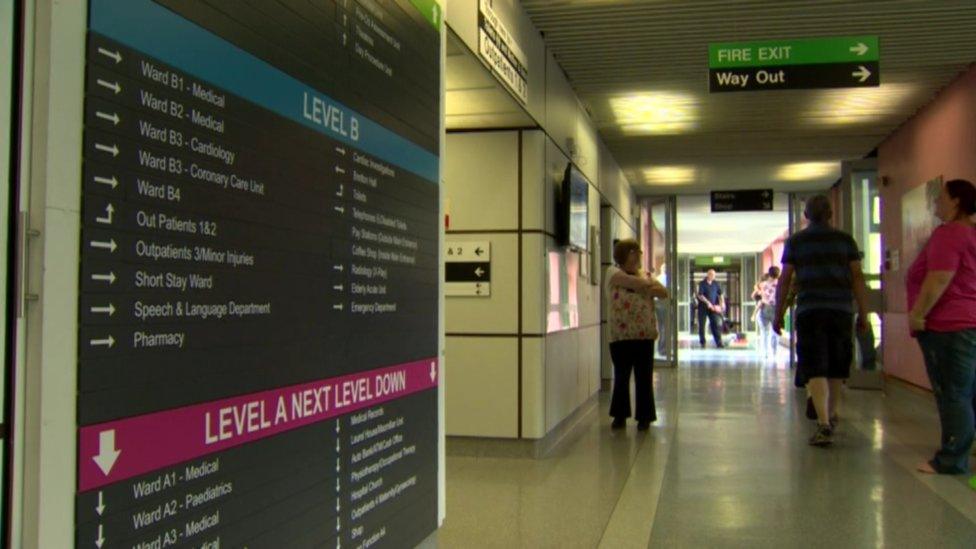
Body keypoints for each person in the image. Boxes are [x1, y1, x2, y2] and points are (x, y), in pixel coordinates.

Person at [774, 195, 869, 447]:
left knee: (814, 365)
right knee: (837, 364)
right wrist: (865, 312)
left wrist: (778, 313)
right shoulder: (845, 240)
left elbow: (785, 279)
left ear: (806, 215)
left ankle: (823, 422)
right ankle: (832, 412)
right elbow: (857, 277)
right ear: (830, 214)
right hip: (840, 310)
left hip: (810, 310)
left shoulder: (796, 242)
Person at [905, 179, 976, 474]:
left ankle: (951, 459)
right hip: (969, 323)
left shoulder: (950, 234)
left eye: (941, 198)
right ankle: (965, 446)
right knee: (968, 391)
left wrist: (918, 313)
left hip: (948, 325)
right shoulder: (971, 234)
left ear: (956, 201)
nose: (936, 204)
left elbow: (939, 278)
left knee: (952, 393)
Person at [605, 239, 669, 431]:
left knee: (644, 377)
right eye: (636, 253)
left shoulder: (645, 274)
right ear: (626, 255)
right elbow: (633, 282)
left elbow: (664, 292)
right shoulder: (612, 272)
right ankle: (619, 415)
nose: (639, 257)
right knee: (622, 376)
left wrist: (647, 285)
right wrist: (648, 285)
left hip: (644, 336)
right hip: (620, 337)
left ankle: (645, 417)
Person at [755, 267, 781, 360]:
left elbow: (757, 295)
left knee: (764, 333)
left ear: (769, 274)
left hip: (764, 308)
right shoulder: (780, 284)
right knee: (775, 332)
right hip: (776, 308)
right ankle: (774, 352)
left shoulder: (762, 285)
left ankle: (765, 353)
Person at [696, 269, 725, 348]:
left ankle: (719, 342)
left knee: (715, 323)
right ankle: (702, 341)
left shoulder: (715, 284)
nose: (713, 276)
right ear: (708, 275)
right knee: (702, 324)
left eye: (714, 275)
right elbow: (700, 295)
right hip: (703, 307)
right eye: (712, 275)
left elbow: (720, 294)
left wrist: (722, 303)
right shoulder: (702, 283)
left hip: (713, 307)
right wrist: (707, 303)